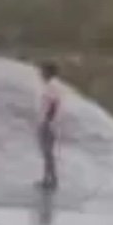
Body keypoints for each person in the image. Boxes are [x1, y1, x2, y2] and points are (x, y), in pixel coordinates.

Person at [37, 61, 62, 191]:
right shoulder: (50, 85)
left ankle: (51, 179)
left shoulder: (52, 86)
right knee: (47, 152)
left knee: (47, 152)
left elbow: (53, 104)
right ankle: (48, 177)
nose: (40, 73)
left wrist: (47, 121)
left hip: (48, 123)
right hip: (47, 121)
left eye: (42, 71)